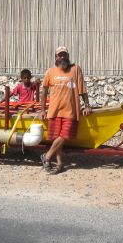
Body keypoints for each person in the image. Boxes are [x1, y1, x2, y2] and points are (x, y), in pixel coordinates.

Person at [40, 46, 92, 174]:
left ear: (68, 56)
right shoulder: (50, 72)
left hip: (71, 111)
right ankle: (59, 164)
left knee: (65, 135)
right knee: (57, 138)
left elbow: (82, 89)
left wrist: (87, 105)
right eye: (60, 55)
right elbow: (44, 92)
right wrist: (42, 110)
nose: (62, 57)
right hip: (54, 110)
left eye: (65, 55)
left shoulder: (75, 69)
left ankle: (46, 156)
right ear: (56, 57)